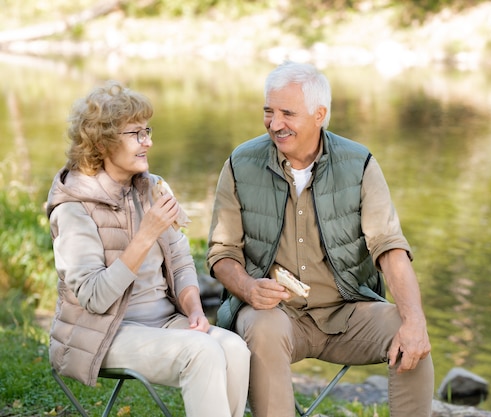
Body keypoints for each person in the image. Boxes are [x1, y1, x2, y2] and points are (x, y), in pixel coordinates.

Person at [207, 61, 434, 417]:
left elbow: (389, 248)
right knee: (261, 328)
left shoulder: (359, 164)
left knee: (409, 332)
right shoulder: (240, 163)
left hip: (346, 313)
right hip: (275, 316)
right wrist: (248, 288)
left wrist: (415, 320)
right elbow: (222, 252)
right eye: (269, 111)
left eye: (287, 113)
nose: (274, 123)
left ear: (319, 114)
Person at [46, 80, 250, 417]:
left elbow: (182, 260)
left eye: (147, 131)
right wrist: (144, 235)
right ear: (103, 143)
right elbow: (94, 298)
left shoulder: (152, 187)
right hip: (103, 334)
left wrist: (195, 310)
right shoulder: (73, 208)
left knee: (234, 347)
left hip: (165, 323)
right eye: (136, 134)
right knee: (202, 351)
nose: (148, 142)